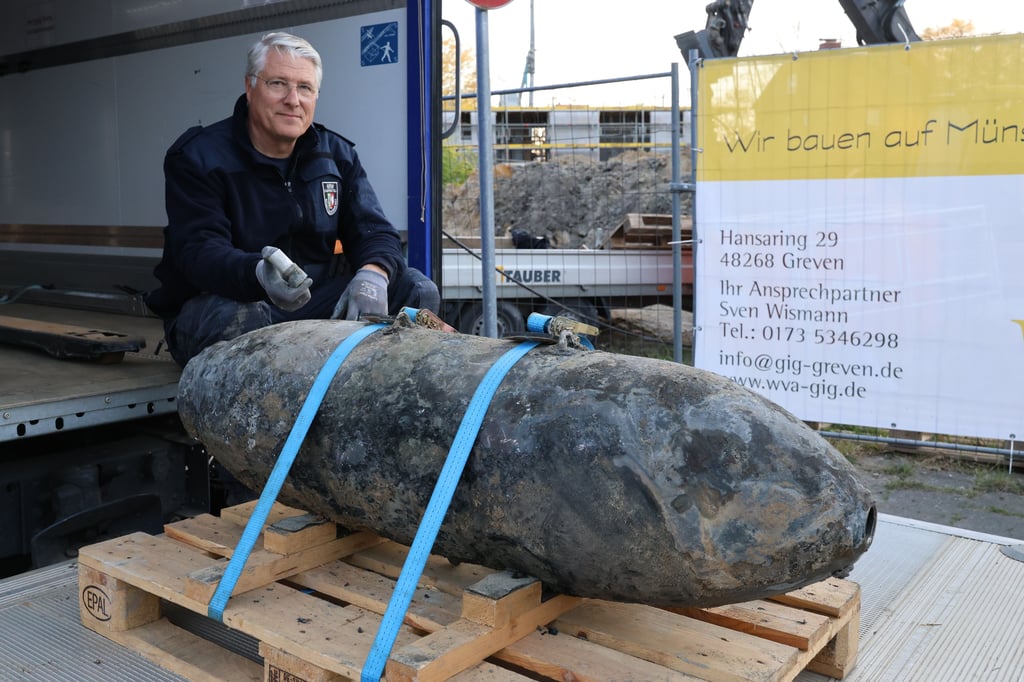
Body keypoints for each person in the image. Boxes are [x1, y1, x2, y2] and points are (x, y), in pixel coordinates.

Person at [145, 32, 439, 367]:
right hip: (225, 302)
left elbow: (375, 231)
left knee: (416, 290)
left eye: (305, 88)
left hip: (314, 301)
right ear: (250, 86)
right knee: (242, 314)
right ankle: (260, 415)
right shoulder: (199, 157)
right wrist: (255, 273)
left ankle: (385, 397)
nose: (293, 99)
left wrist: (373, 275)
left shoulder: (336, 155)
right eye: (278, 84)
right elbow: (197, 251)